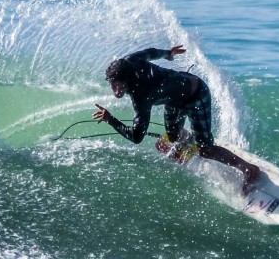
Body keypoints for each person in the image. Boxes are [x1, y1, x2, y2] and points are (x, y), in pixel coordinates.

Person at [92, 45, 262, 194]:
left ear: (128, 81)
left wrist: (110, 119)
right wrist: (168, 53)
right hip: (173, 100)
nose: (114, 90)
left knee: (205, 150)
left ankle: (248, 169)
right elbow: (149, 52)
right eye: (112, 83)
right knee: (173, 138)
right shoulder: (129, 62)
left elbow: (137, 137)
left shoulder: (141, 97)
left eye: (118, 85)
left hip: (196, 95)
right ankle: (188, 139)